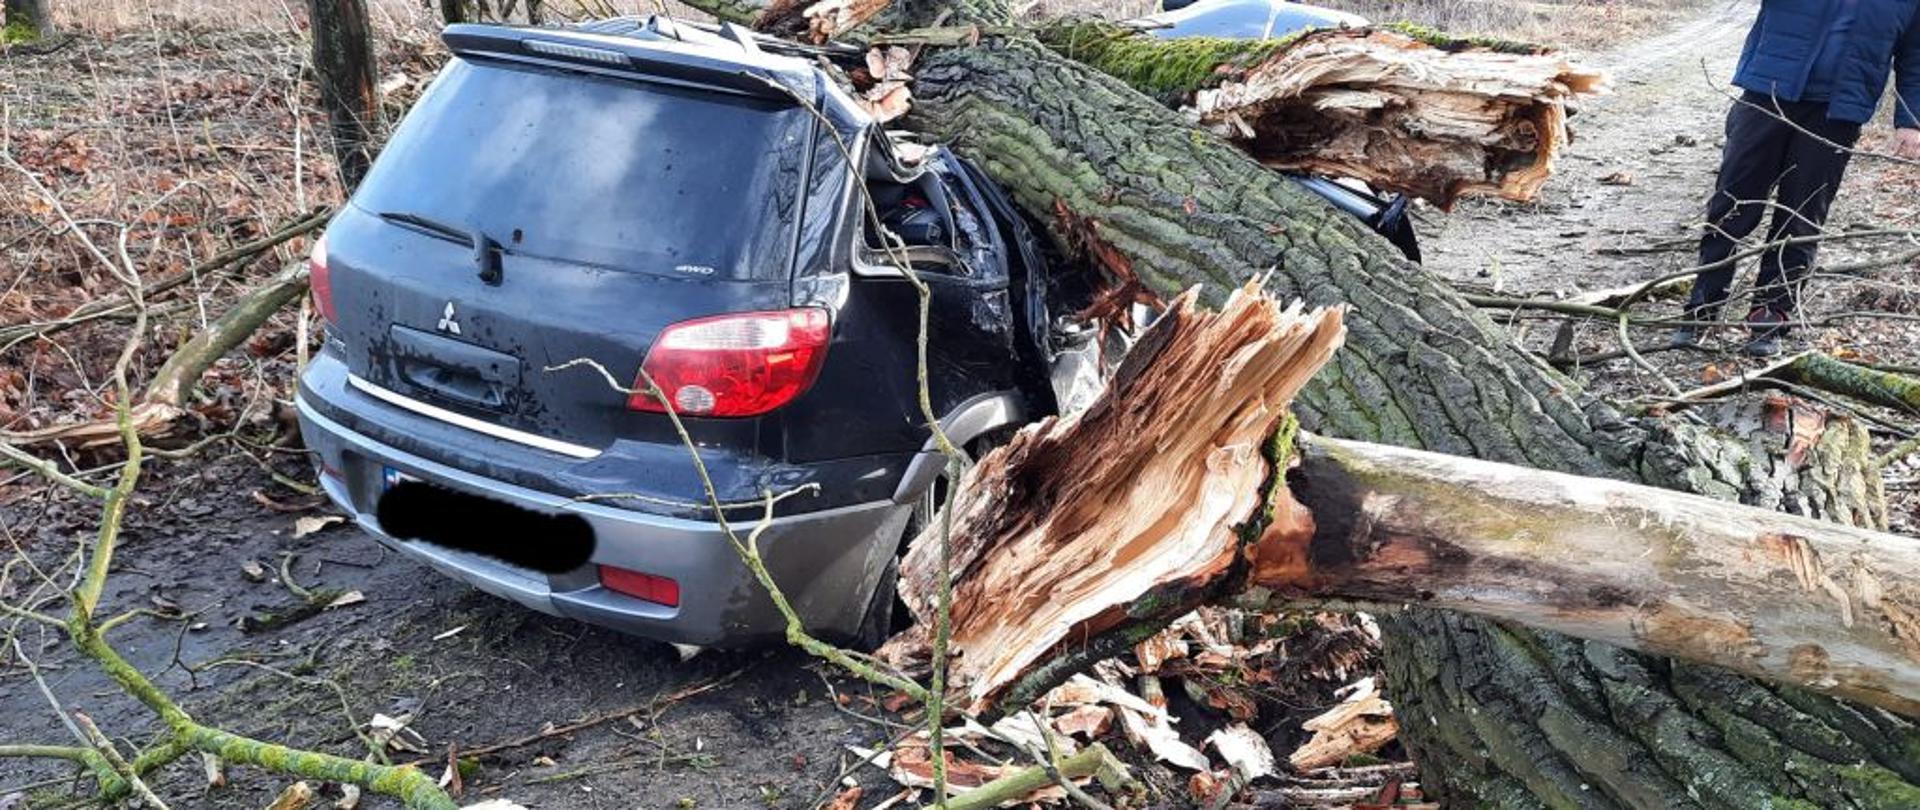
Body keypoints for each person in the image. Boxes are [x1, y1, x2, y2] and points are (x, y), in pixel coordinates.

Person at [1673, 0, 1920, 357]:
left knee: (1802, 215)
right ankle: (1702, 306)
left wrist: (1910, 120)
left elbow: (1915, 57)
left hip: (1838, 113)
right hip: (1766, 94)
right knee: (1732, 203)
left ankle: (1770, 314)